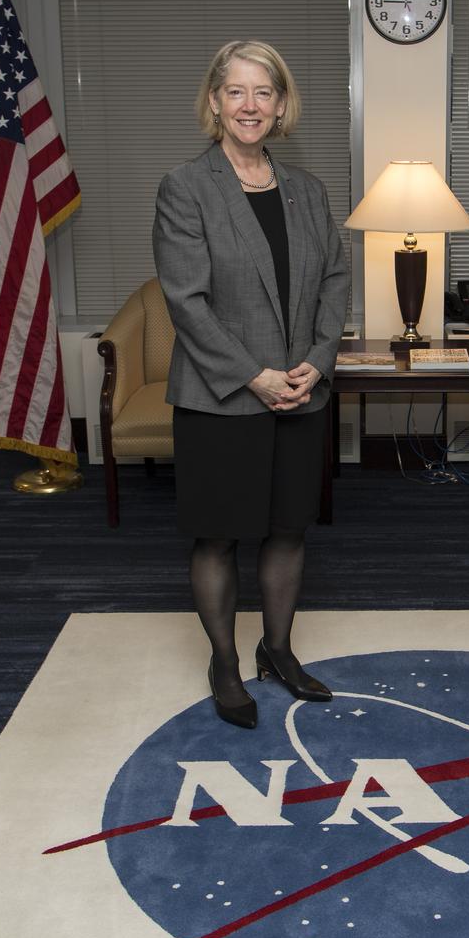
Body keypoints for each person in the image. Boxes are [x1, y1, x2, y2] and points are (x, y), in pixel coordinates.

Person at [153, 40, 349, 729]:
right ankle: (224, 662)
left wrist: (317, 361)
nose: (250, 105)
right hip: (221, 397)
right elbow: (187, 301)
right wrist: (254, 376)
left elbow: (335, 281)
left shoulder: (307, 190)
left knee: (288, 529)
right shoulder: (186, 187)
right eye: (236, 91)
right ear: (214, 101)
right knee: (218, 537)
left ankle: (277, 650)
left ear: (281, 103)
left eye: (264, 92)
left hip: (300, 391)